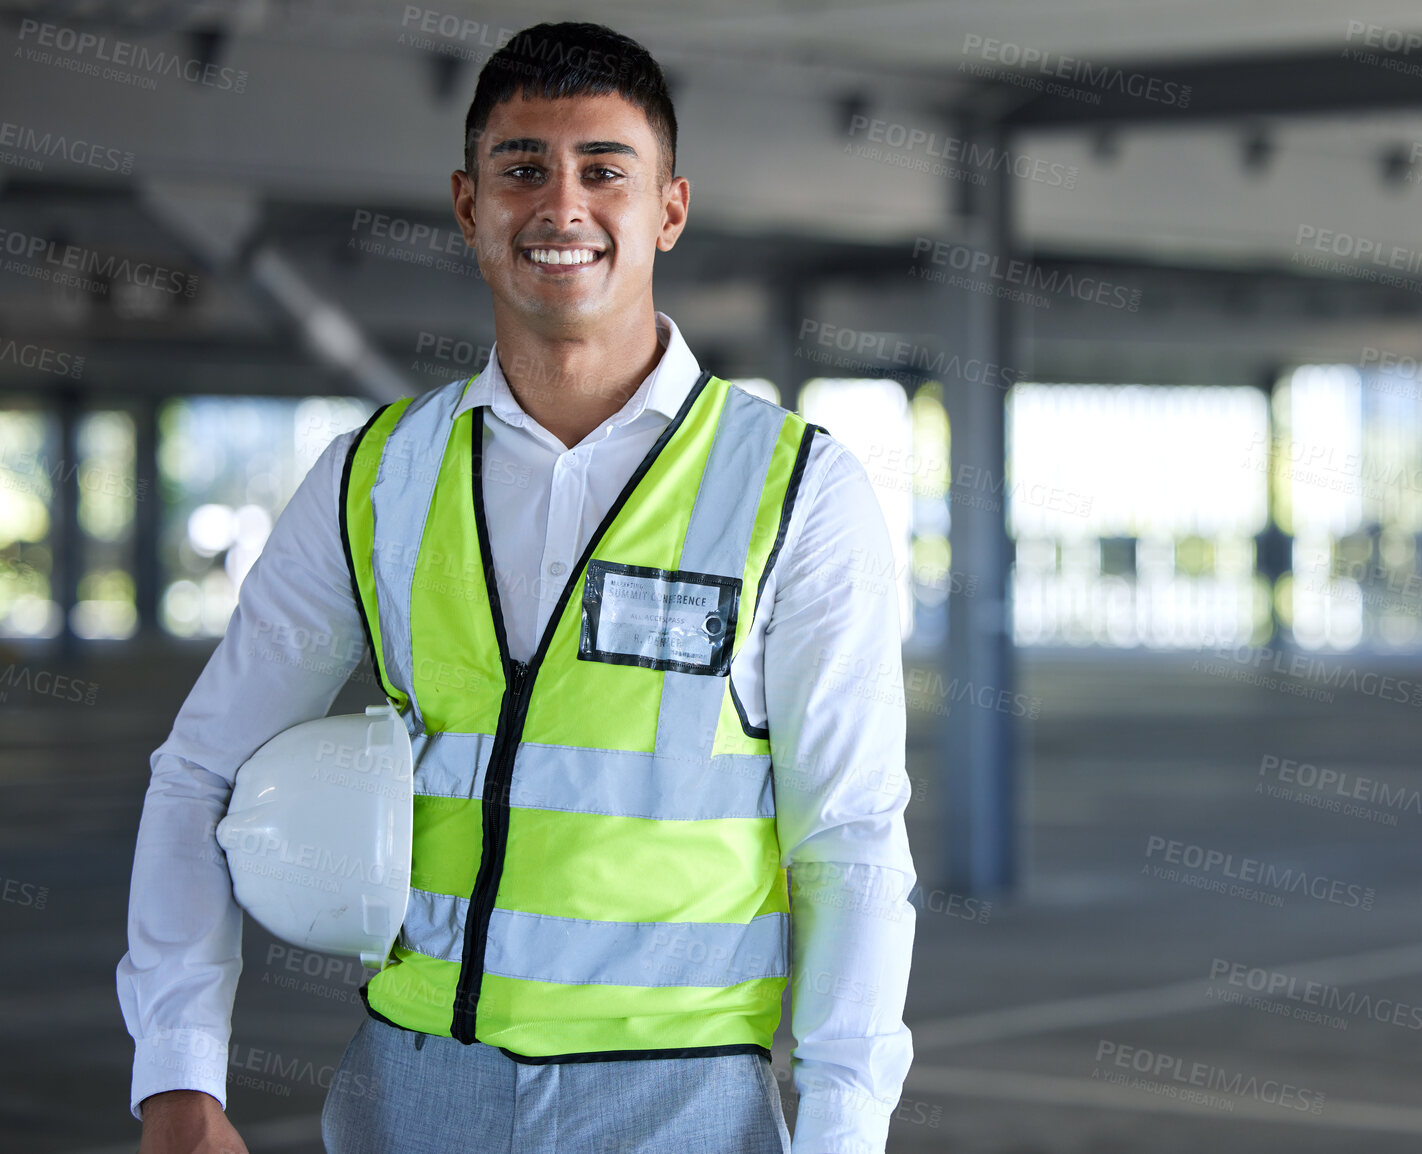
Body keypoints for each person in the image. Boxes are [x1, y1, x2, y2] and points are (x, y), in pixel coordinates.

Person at [118, 21, 916, 1154]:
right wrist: (179, 1078)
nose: (562, 205)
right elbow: (197, 770)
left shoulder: (796, 488)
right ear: (466, 203)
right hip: (411, 1090)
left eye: (605, 170)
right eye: (521, 167)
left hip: (681, 1100)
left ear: (670, 210)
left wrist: (844, 1129)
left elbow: (850, 838)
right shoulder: (374, 476)